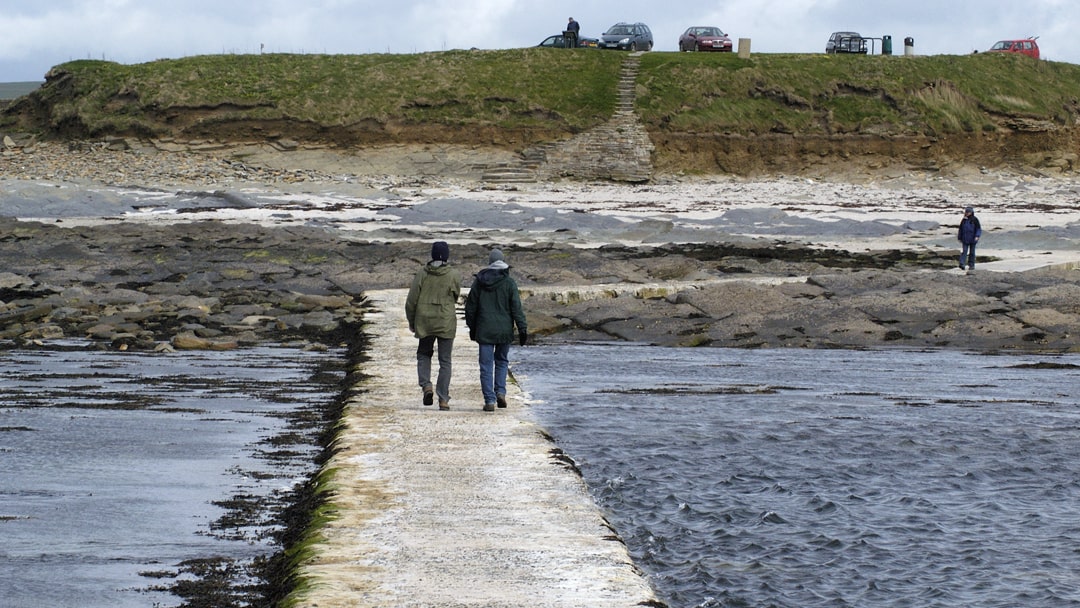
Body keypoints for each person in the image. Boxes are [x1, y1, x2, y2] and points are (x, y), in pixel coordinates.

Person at [464, 248, 528, 412]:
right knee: (501, 362)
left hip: (484, 330)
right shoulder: (509, 283)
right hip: (504, 331)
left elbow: (470, 307)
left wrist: (473, 327)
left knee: (486, 366)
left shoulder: (479, 281)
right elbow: (516, 309)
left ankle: (490, 400)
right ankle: (500, 392)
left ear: (490, 262)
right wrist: (522, 329)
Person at [405, 241, 461, 410]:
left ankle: (426, 386)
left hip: (425, 320)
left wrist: (412, 321)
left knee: (424, 354)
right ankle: (443, 399)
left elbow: (411, 301)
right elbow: (456, 295)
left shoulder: (423, 273)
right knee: (445, 361)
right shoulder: (453, 274)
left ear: (432, 255)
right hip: (445, 321)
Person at [957, 206, 982, 271]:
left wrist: (977, 236)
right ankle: (962, 264)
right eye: (966, 212)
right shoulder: (964, 220)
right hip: (965, 239)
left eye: (968, 212)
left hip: (973, 239)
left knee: (972, 252)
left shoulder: (975, 219)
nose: (967, 213)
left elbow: (978, 229)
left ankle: (971, 265)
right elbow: (961, 229)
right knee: (964, 251)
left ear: (971, 212)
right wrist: (959, 237)